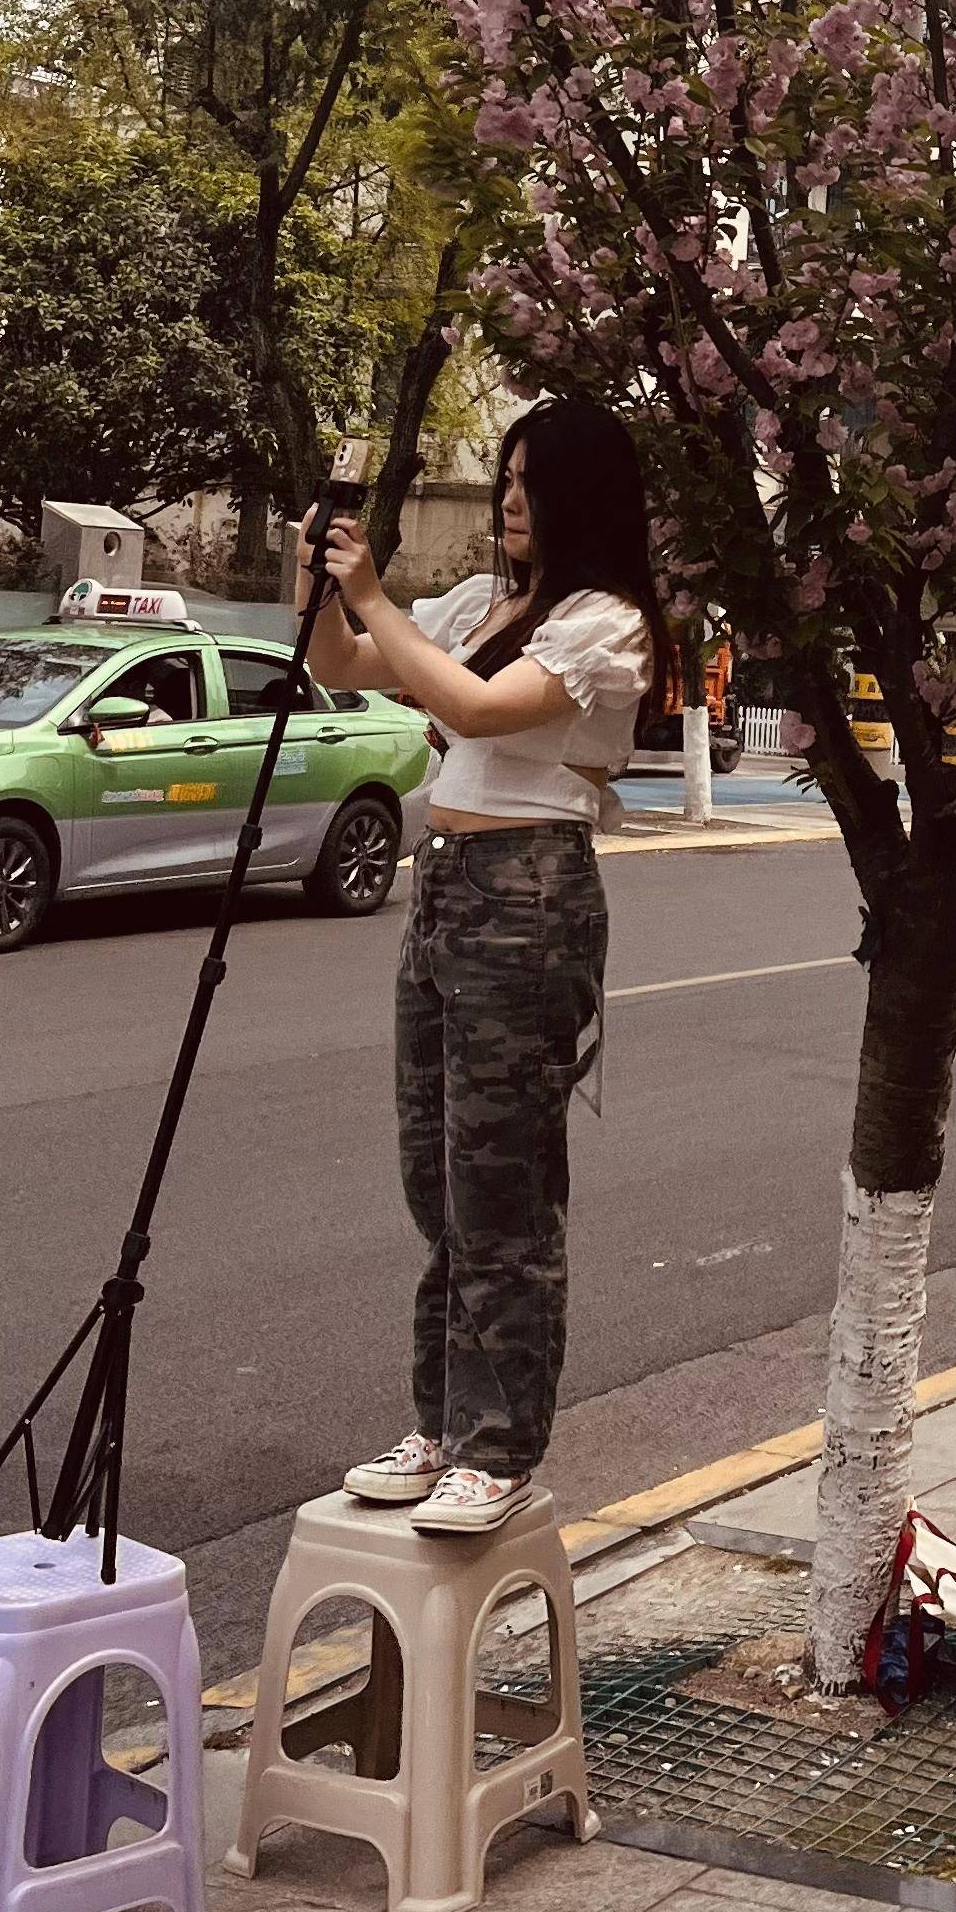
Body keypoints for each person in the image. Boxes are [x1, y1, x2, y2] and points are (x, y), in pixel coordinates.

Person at [300, 401, 658, 1534]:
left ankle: (497, 1444)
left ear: (580, 498)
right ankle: (444, 1422)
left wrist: (370, 595)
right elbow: (350, 665)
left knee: (502, 1187)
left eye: (527, 483)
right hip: (446, 885)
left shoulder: (607, 623)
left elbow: (472, 707)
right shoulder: (477, 604)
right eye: (501, 479)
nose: (508, 501)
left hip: (530, 894)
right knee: (436, 1181)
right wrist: (318, 581)